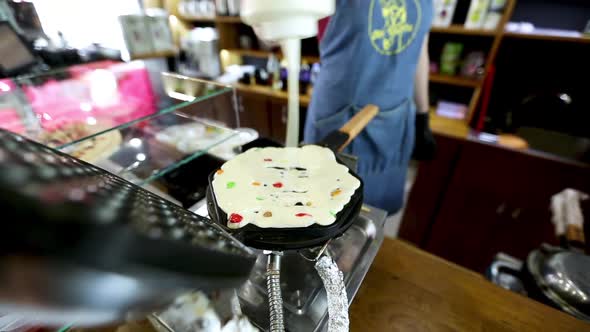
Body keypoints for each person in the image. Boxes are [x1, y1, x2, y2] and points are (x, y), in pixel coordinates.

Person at [304, 0, 436, 214]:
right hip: (341, 119)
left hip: (396, 120)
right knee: (327, 213)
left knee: (374, 221)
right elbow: (269, 31)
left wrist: (423, 115)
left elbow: (420, 50)